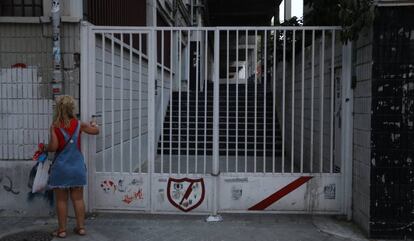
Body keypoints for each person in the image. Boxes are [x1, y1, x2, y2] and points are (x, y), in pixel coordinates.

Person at [39, 95, 99, 238]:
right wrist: (95, 125)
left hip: (61, 169)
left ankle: (62, 230)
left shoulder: (55, 126)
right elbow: (96, 131)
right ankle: (81, 228)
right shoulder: (79, 124)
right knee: (78, 199)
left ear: (58, 109)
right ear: (72, 109)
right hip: (77, 168)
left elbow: (53, 147)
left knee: (61, 200)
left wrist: (44, 148)